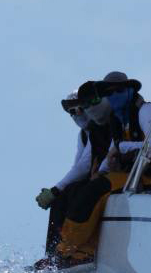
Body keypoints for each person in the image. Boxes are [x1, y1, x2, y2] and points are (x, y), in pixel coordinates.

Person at [39, 72, 151, 269]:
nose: (113, 95)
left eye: (118, 91)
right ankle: (59, 254)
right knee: (82, 191)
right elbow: (106, 154)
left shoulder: (146, 111)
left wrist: (121, 150)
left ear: (130, 90)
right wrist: (100, 173)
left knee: (94, 191)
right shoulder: (118, 120)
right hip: (136, 174)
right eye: (108, 93)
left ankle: (68, 250)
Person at [36, 89, 112, 257]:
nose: (77, 114)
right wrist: (58, 191)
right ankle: (53, 254)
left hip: (107, 177)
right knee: (62, 198)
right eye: (72, 111)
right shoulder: (83, 135)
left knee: (75, 193)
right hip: (93, 178)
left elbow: (85, 165)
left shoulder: (99, 128)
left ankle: (74, 250)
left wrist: (56, 189)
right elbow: (77, 166)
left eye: (80, 108)